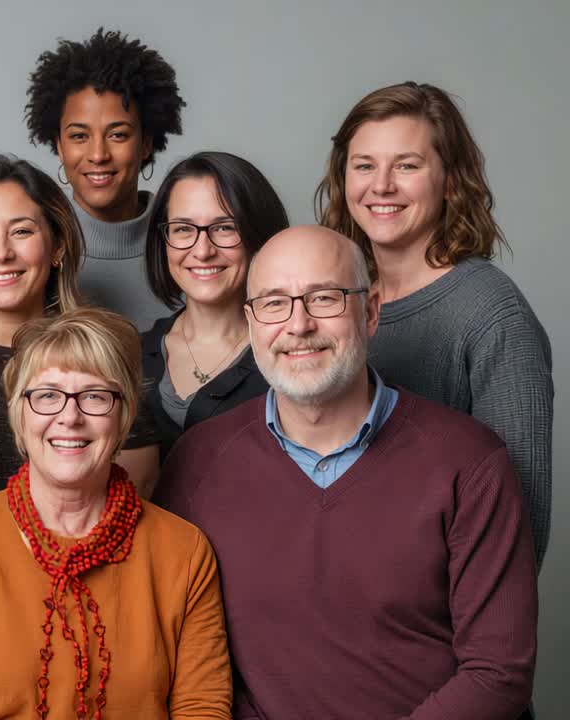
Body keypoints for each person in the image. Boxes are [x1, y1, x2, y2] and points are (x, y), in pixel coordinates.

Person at [155, 226, 537, 719]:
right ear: (251, 323)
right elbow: (181, 657)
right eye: (274, 303)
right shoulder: (198, 462)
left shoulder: (469, 463)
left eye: (324, 298)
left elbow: (498, 673)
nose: (298, 325)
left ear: (371, 311)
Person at [0, 307, 230, 719]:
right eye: (47, 396)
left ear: (125, 414)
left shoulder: (184, 551)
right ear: (18, 414)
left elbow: (201, 709)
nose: (70, 417)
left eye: (95, 396)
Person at [316, 81, 552, 568]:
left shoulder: (492, 314)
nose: (381, 186)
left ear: (449, 177)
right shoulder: (333, 302)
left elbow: (518, 524)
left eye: (407, 165)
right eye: (364, 165)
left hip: (436, 626)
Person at [0, 154, 158, 510]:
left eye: (21, 231)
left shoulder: (105, 359)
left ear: (57, 247)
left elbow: (132, 504)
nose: (2, 253)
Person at [25, 27, 185, 331]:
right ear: (58, 145)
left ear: (146, 142)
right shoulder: (32, 250)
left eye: (118, 134)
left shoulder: (190, 244)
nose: (98, 154)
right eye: (79, 136)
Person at [139, 152, 287, 465]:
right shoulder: (128, 355)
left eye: (224, 227)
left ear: (257, 235)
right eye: (183, 229)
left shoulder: (290, 354)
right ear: (162, 240)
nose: (203, 250)